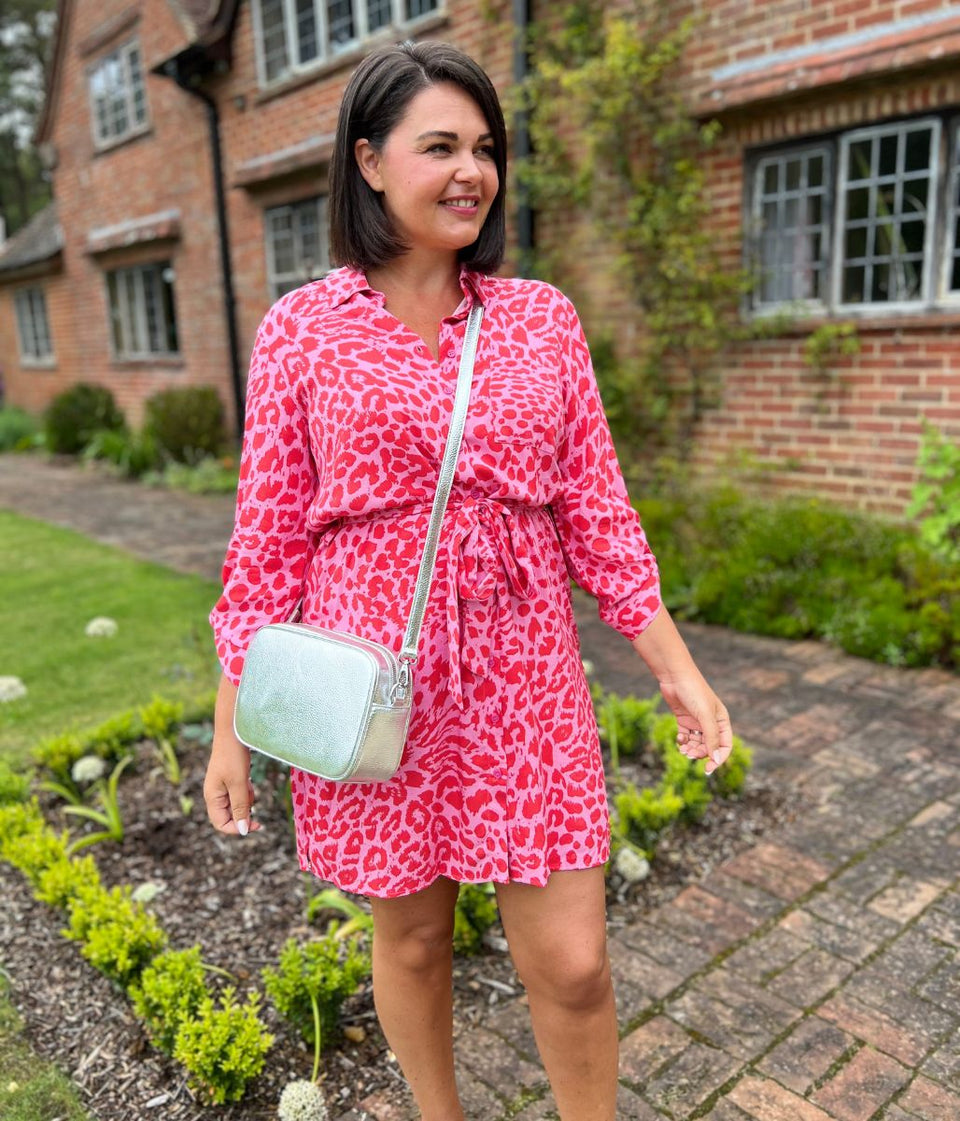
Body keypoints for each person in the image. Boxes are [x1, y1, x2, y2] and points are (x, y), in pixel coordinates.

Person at [204, 40, 732, 1121]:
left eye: (485, 147)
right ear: (369, 160)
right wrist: (231, 723)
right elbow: (264, 545)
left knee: (575, 961)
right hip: (378, 682)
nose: (471, 171)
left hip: (524, 673)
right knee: (409, 936)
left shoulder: (540, 317)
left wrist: (674, 665)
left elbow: (597, 507)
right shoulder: (302, 330)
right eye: (439, 144)